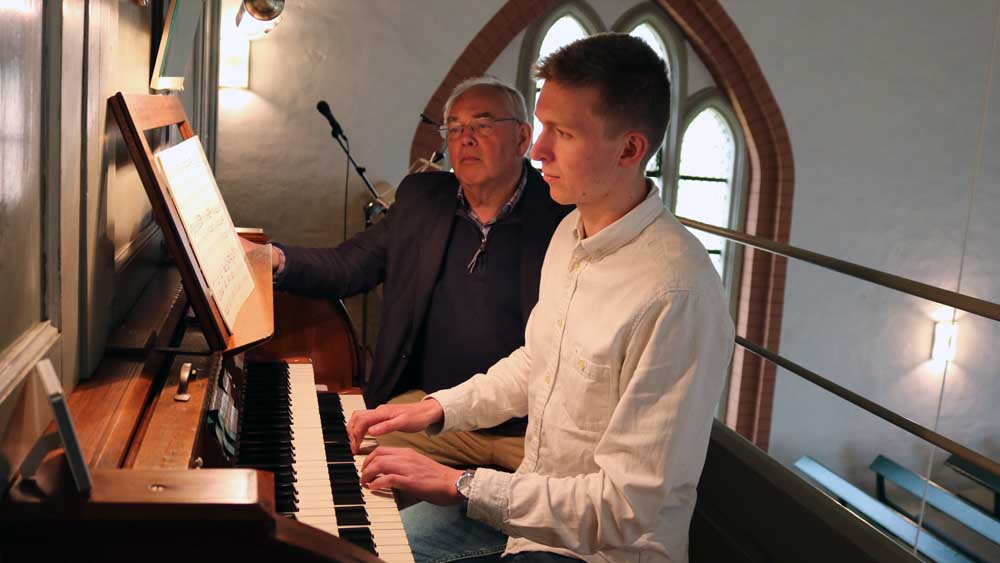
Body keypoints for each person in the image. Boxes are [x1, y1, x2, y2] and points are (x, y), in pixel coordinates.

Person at [347, 33, 735, 563]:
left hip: (602, 551)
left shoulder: (677, 292)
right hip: (530, 517)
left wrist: (458, 484)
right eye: (543, 125)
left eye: (563, 133)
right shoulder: (572, 230)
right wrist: (438, 408)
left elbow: (625, 509)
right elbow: (538, 363)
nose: (537, 150)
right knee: (360, 550)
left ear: (629, 149)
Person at [249, 76, 572, 472]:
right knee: (343, 467)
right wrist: (274, 258)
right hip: (432, 415)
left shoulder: (563, 215)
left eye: (483, 125)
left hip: (530, 429)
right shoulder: (423, 199)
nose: (466, 139)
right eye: (455, 128)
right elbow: (349, 265)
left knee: (563, 501)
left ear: (522, 138)